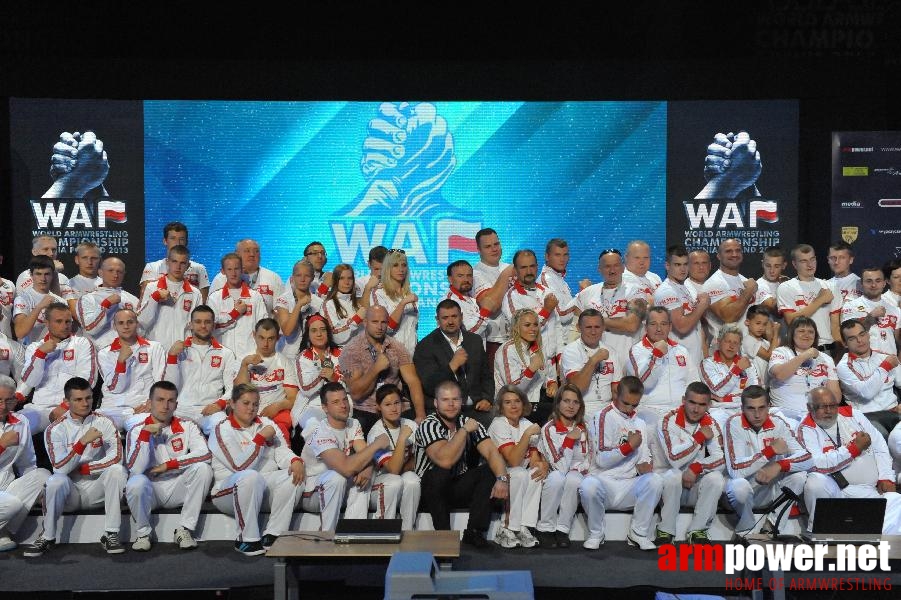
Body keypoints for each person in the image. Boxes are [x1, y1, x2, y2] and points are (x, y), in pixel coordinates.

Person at [24, 377, 127, 557]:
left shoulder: (104, 421)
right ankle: (47, 536)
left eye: (88, 398)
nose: (85, 403)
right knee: (55, 480)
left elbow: (117, 457)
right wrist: (82, 443)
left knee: (117, 471)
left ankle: (111, 533)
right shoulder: (55, 429)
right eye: (78, 399)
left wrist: (88, 469)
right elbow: (60, 468)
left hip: (97, 489)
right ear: (66, 402)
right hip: (70, 492)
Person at [208, 383, 304, 556]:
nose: (251, 408)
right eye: (246, 403)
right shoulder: (222, 429)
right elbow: (240, 466)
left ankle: (274, 534)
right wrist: (259, 439)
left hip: (261, 486)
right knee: (250, 476)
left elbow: (282, 451)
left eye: (255, 404)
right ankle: (246, 539)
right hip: (227, 492)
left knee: (294, 475)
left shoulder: (267, 423)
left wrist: (294, 460)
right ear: (232, 403)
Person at [413, 380, 510, 548]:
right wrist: (463, 431)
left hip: (456, 485)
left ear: (462, 401)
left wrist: (502, 478)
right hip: (429, 490)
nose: (451, 404)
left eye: (455, 399)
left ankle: (474, 532)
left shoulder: (468, 421)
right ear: (436, 403)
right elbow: (445, 460)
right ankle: (444, 536)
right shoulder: (429, 424)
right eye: (445, 400)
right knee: (438, 473)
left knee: (488, 470)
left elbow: (491, 452)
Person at [124, 380, 213, 551]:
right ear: (149, 403)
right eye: (160, 400)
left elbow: (205, 454)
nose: (165, 406)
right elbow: (135, 469)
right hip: (151, 490)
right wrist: (145, 436)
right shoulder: (136, 430)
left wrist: (169, 465)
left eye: (170, 401)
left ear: (176, 404)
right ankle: (143, 533)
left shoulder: (188, 425)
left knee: (203, 469)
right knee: (136, 482)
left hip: (177, 485)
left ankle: (184, 529)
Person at [799, 386, 901, 534]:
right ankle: (821, 533)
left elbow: (879, 445)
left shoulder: (853, 415)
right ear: (810, 407)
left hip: (869, 490)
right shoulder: (805, 428)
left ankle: (875, 542)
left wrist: (886, 477)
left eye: (832, 406)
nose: (829, 411)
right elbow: (817, 464)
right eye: (822, 407)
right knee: (815, 482)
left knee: (896, 500)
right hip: (837, 491)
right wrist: (853, 449)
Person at [578, 376, 663, 550]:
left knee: (655, 480)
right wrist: (629, 447)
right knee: (588, 485)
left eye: (635, 405)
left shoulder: (640, 422)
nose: (630, 409)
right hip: (604, 482)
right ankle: (596, 533)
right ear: (616, 394)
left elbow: (644, 455)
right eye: (626, 403)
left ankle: (638, 533)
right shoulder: (601, 416)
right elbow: (601, 460)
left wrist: (645, 465)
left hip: (629, 485)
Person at [299, 382, 390, 531]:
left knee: (362, 477)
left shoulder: (353, 423)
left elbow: (363, 452)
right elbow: (347, 468)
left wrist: (368, 468)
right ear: (325, 408)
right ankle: (328, 536)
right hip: (313, 492)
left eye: (344, 400)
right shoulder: (319, 431)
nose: (343, 405)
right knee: (338, 476)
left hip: (339, 486)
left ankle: (353, 534)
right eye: (335, 402)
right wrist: (377, 445)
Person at [723, 386, 811, 537]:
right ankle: (746, 529)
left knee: (799, 476)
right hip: (747, 487)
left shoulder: (779, 423)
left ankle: (771, 525)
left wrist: (779, 465)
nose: (757, 414)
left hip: (771, 489)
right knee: (739, 486)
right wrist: (769, 452)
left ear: (769, 406)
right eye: (751, 408)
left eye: (761, 408)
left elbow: (808, 458)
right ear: (742, 408)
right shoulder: (733, 423)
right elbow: (735, 470)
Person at [654, 381, 726, 545]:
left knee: (716, 478)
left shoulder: (711, 423)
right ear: (683, 400)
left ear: (708, 405)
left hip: (693, 481)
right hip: (666, 486)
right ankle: (665, 530)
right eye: (692, 402)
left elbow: (721, 457)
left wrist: (696, 468)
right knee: (673, 475)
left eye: (701, 404)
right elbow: (674, 459)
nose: (696, 409)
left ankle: (698, 530)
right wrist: (699, 437)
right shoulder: (667, 420)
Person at [340, 306, 426, 434]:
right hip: (368, 409)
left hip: (397, 406)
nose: (380, 327)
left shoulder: (396, 347)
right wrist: (376, 369)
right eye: (375, 322)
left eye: (384, 322)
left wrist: (420, 415)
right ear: (365, 323)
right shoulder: (351, 350)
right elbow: (356, 394)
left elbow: (413, 381)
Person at [413, 299, 494, 426]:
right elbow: (429, 386)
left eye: (454, 316)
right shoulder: (426, 346)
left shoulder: (475, 341)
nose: (450, 322)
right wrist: (452, 366)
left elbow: (486, 376)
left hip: (476, 408)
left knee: (498, 421)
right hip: (444, 411)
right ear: (437, 320)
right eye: (445, 318)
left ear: (461, 317)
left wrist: (487, 398)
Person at [19, 303, 97, 433]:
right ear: (47, 323)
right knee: (16, 429)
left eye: (68, 321)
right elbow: (31, 381)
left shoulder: (81, 343)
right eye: (59, 321)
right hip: (39, 407)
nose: (65, 326)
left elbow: (87, 380)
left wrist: (66, 405)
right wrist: (40, 354)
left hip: (72, 408)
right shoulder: (34, 347)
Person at [161, 305, 239, 432]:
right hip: (180, 409)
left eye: (207, 322)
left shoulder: (226, 353)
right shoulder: (177, 350)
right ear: (190, 325)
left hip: (210, 409)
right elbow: (168, 386)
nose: (203, 326)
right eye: (198, 322)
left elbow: (233, 388)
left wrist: (220, 404)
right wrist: (172, 357)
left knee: (224, 428)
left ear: (213, 325)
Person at [487, 385, 548, 549]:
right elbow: (513, 461)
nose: (513, 406)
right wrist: (527, 435)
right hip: (495, 476)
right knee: (520, 473)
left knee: (536, 473)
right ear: (500, 406)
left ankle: (523, 527)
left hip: (517, 474)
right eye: (507, 402)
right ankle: (506, 528)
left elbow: (534, 460)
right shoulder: (498, 424)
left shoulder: (526, 423)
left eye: (517, 401)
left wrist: (542, 466)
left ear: (523, 404)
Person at [570, 248, 646, 373]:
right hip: (594, 364)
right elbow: (575, 330)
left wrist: (594, 322)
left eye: (616, 265)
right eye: (607, 266)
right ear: (599, 269)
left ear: (623, 267)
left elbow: (631, 324)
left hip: (627, 364)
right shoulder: (586, 294)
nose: (612, 270)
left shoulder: (635, 291)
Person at [535, 383, 589, 549]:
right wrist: (570, 440)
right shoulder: (549, 429)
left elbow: (588, 458)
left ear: (580, 406)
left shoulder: (583, 427)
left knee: (574, 479)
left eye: (575, 402)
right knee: (558, 478)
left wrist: (581, 470)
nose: (571, 406)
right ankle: (545, 528)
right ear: (558, 403)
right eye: (566, 401)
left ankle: (562, 529)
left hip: (576, 473)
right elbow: (559, 466)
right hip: (554, 473)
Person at [0, 375, 50, 552]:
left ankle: (2, 531)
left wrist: (38, 492)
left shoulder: (21, 422)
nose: (3, 406)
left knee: (43, 476)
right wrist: (2, 445)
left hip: (6, 486)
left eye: (8, 400)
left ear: (15, 400)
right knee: (11, 504)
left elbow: (27, 463)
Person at [96, 309, 167, 431]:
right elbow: (115, 388)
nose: (126, 326)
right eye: (121, 323)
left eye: (130, 322)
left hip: (143, 407)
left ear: (137, 323)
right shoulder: (104, 353)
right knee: (96, 430)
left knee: (146, 429)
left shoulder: (154, 348)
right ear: (114, 326)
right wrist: (121, 362)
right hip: (113, 408)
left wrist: (152, 403)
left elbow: (161, 381)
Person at [624, 307, 694, 427]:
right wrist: (657, 355)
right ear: (646, 327)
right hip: (650, 411)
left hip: (680, 411)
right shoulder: (637, 351)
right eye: (653, 324)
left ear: (670, 327)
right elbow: (644, 384)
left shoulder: (681, 351)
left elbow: (693, 382)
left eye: (663, 324)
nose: (659, 329)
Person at [233, 318, 299, 441]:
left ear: (278, 338)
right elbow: (238, 392)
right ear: (254, 335)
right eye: (261, 337)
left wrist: (277, 407)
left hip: (277, 414)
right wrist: (244, 365)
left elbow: (292, 398)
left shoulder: (285, 362)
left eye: (270, 338)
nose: (265, 343)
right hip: (248, 412)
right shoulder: (244, 359)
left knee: (282, 430)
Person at [768, 316, 841, 425]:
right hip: (785, 417)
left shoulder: (826, 359)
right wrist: (806, 354)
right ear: (792, 334)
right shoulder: (781, 352)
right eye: (801, 331)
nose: (806, 335)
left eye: (811, 332)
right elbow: (779, 374)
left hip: (817, 418)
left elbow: (836, 396)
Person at [835, 319, 901, 439]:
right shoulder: (843, 366)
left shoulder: (884, 357)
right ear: (845, 343)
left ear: (868, 334)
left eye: (862, 334)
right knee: (882, 436)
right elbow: (867, 393)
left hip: (894, 412)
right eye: (852, 338)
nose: (860, 340)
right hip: (866, 417)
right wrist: (885, 367)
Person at [367, 384, 420, 530]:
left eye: (397, 403)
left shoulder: (410, 424)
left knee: (412, 480)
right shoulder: (376, 433)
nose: (394, 408)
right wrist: (402, 439)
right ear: (379, 407)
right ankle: (384, 530)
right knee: (394, 481)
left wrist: (409, 465)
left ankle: (408, 530)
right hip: (378, 484)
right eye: (387, 404)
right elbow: (393, 470)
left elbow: (420, 460)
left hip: (400, 478)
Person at [702, 239, 773, 347]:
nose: (734, 254)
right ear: (719, 256)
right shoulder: (714, 283)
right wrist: (748, 291)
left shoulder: (744, 280)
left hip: (750, 349)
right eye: (728, 251)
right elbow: (729, 317)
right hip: (725, 352)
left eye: (738, 250)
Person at [777, 243, 843, 357]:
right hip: (799, 351)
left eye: (812, 259)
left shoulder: (831, 287)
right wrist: (820, 300)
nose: (809, 264)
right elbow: (792, 321)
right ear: (794, 264)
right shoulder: (786, 287)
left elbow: (835, 326)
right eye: (803, 261)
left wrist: (839, 355)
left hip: (827, 351)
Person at [502, 249, 561, 376]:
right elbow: (521, 329)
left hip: (551, 366)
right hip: (528, 364)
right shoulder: (511, 297)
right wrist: (546, 310)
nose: (529, 271)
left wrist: (560, 360)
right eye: (523, 267)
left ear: (537, 267)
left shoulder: (546, 292)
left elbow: (557, 328)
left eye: (532, 266)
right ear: (516, 270)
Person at [494, 308, 556, 422]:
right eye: (527, 325)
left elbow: (547, 376)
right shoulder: (508, 349)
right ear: (516, 327)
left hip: (535, 402)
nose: (533, 329)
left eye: (535, 325)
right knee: (557, 411)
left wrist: (551, 384)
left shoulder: (539, 348)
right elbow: (512, 389)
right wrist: (531, 369)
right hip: (512, 407)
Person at [137, 245, 203, 350]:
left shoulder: (195, 293)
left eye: (182, 263)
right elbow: (143, 321)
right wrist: (155, 298)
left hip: (183, 351)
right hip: (157, 350)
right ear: (167, 262)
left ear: (188, 265)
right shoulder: (152, 287)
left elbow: (197, 327)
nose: (178, 266)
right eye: (174, 261)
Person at [654, 244, 710, 367]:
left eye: (685, 264)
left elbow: (696, 326)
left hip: (692, 358)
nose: (683, 269)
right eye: (677, 265)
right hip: (676, 361)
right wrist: (702, 305)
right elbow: (682, 326)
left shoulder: (684, 288)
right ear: (667, 266)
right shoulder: (667, 291)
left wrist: (704, 356)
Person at [209, 252, 270, 359]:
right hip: (223, 359)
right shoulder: (214, 298)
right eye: (229, 269)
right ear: (223, 271)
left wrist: (261, 355)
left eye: (236, 268)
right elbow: (210, 328)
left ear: (242, 269)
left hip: (250, 357)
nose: (233, 273)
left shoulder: (255, 297)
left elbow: (264, 329)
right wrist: (235, 313)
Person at [560, 309, 619, 418]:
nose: (593, 332)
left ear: (603, 328)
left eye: (597, 327)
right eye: (588, 327)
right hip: (579, 409)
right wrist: (594, 360)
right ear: (579, 328)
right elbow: (576, 387)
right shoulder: (571, 351)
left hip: (607, 409)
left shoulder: (611, 352)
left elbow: (616, 389)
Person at [700, 324, 761, 429]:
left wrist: (724, 398)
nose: (731, 346)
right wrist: (737, 370)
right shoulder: (707, 364)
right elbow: (718, 390)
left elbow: (755, 392)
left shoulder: (747, 364)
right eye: (728, 341)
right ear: (719, 342)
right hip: (719, 410)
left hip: (745, 408)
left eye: (735, 343)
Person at [76, 256, 140, 349]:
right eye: (110, 270)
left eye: (119, 271)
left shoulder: (132, 299)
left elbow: (140, 329)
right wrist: (106, 305)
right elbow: (90, 328)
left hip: (128, 352)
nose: (115, 275)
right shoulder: (87, 299)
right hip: (99, 353)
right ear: (100, 272)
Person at [472, 228, 515, 367]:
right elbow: (491, 306)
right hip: (493, 341)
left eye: (496, 244)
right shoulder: (474, 273)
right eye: (488, 246)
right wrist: (507, 274)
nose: (494, 249)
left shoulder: (509, 267)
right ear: (478, 249)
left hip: (518, 338)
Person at [140, 222, 211, 303]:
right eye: (173, 238)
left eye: (181, 239)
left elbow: (203, 303)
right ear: (165, 241)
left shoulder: (199, 268)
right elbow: (145, 298)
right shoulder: (152, 267)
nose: (177, 243)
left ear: (186, 242)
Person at [293, 315, 342, 433]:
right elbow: (306, 389)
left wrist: (333, 378)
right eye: (314, 330)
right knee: (316, 428)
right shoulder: (303, 357)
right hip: (312, 406)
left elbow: (351, 385)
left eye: (323, 329)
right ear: (308, 335)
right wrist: (322, 375)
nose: (319, 334)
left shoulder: (341, 353)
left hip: (340, 402)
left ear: (328, 332)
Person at [210, 239, 284, 314]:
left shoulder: (274, 278)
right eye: (247, 251)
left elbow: (281, 312)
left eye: (256, 251)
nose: (252, 254)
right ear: (236, 254)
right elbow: (211, 312)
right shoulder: (220, 278)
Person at [840, 266, 900, 356]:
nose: (873, 285)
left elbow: (899, 342)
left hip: (890, 365)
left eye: (878, 281)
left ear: (884, 283)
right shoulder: (851, 306)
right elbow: (850, 334)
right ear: (862, 283)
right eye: (869, 281)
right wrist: (870, 317)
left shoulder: (895, 310)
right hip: (863, 364)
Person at [369, 249, 419, 355]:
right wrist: (402, 304)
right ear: (388, 269)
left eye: (404, 265)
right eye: (395, 265)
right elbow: (385, 329)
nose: (401, 269)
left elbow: (413, 330)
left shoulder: (409, 295)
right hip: (389, 356)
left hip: (411, 356)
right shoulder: (379, 293)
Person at [12, 256, 68, 346]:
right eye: (38, 274)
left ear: (53, 275)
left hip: (54, 353)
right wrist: (39, 306)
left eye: (47, 274)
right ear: (31, 275)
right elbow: (20, 333)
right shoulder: (22, 299)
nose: (43, 278)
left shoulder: (61, 301)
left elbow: (65, 334)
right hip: (29, 353)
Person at [274, 259, 322, 360]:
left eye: (307, 276)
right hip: (287, 355)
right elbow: (287, 331)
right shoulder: (283, 300)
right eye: (298, 275)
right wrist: (298, 305)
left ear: (313, 278)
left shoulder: (319, 303)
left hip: (310, 356)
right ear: (292, 278)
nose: (302, 279)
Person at [540, 238, 578, 344]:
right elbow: (562, 316)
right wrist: (583, 295)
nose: (562, 259)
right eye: (557, 255)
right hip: (557, 345)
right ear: (547, 257)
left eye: (565, 255)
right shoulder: (547, 279)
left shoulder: (558, 279)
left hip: (566, 341)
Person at [443, 260, 490, 340]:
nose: (466, 279)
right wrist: (485, 311)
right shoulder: (449, 302)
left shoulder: (470, 298)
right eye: (460, 276)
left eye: (469, 275)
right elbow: (469, 333)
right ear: (450, 279)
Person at [322, 263, 366, 347]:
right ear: (335, 281)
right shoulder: (328, 304)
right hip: (341, 355)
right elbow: (335, 336)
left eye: (349, 278)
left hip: (360, 352)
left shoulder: (357, 305)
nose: (347, 282)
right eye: (341, 278)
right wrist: (356, 320)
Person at [743, 304, 781, 389]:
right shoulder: (747, 340)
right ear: (747, 322)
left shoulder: (766, 342)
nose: (761, 327)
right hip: (754, 386)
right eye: (758, 323)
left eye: (764, 324)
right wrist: (776, 333)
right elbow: (770, 356)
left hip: (766, 385)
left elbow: (776, 356)